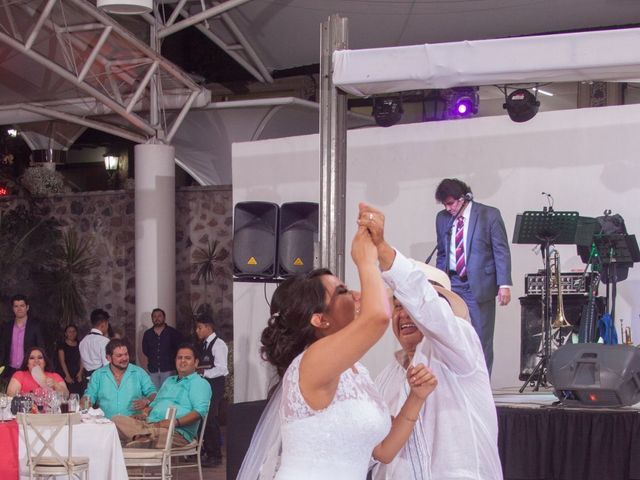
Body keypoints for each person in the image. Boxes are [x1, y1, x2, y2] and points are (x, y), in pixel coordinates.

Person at [238, 210, 437, 480]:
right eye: (343, 292)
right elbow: (378, 316)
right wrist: (367, 258)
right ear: (320, 320)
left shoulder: (356, 372)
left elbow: (383, 451)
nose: (356, 295)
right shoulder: (311, 361)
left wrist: (417, 397)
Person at [359, 203, 503, 480]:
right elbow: (377, 450)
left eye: (410, 304)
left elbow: (430, 311)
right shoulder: (385, 378)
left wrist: (383, 249)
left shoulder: (460, 346)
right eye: (397, 306)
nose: (404, 314)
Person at [434, 178, 512, 373]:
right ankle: (458, 383)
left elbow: (501, 251)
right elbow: (442, 252)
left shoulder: (489, 215)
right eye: (445, 204)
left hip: (478, 284)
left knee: (481, 337)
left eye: (451, 203)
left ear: (464, 198)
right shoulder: (442, 218)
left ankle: (483, 388)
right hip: (452, 283)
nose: (448, 208)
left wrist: (504, 284)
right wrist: (438, 282)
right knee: (451, 336)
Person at [112, 344, 211, 449]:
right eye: (179, 358)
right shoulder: (169, 381)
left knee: (157, 434)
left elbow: (200, 412)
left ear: (196, 362)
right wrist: (144, 414)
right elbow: (154, 405)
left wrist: (174, 423)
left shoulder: (199, 383)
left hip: (175, 431)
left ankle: (140, 439)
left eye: (187, 358)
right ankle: (141, 438)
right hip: (151, 424)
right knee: (116, 419)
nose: (182, 361)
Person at [83, 339, 156, 419]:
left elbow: (153, 393)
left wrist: (146, 401)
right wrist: (85, 403)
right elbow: (89, 397)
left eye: (126, 354)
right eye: (119, 356)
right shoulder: (98, 375)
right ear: (108, 358)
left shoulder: (139, 372)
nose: (124, 358)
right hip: (106, 424)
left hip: (132, 424)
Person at [195, 316, 228, 467]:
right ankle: (207, 452)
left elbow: (222, 369)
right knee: (203, 419)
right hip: (205, 386)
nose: (197, 331)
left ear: (209, 328)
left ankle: (216, 455)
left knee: (210, 419)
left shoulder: (219, 344)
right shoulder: (203, 345)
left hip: (215, 386)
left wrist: (204, 373)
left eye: (200, 328)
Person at [0, 294, 45, 380]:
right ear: (13, 308)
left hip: (29, 370)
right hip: (9, 371)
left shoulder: (36, 326)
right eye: (16, 306)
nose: (19, 309)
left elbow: (41, 348)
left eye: (22, 305)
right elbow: (2, 348)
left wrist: (40, 368)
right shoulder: (7, 327)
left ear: (27, 307)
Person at [142, 308, 182, 390]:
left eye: (159, 316)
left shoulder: (173, 332)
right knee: (154, 395)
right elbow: (145, 350)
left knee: (168, 394)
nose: (157, 318)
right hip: (153, 370)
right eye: (154, 316)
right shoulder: (147, 334)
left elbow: (179, 349)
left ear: (164, 317)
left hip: (169, 369)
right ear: (152, 319)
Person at [79, 308, 110, 379]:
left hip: (87, 380)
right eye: (107, 324)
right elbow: (107, 365)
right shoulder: (104, 341)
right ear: (104, 324)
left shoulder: (83, 341)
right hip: (101, 380)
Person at [57, 324, 85, 395]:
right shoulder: (62, 345)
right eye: (69, 332)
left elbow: (82, 358)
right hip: (65, 373)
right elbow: (62, 361)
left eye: (74, 331)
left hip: (77, 373)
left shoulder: (80, 344)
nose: (72, 333)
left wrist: (80, 372)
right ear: (66, 333)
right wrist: (67, 376)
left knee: (78, 394)